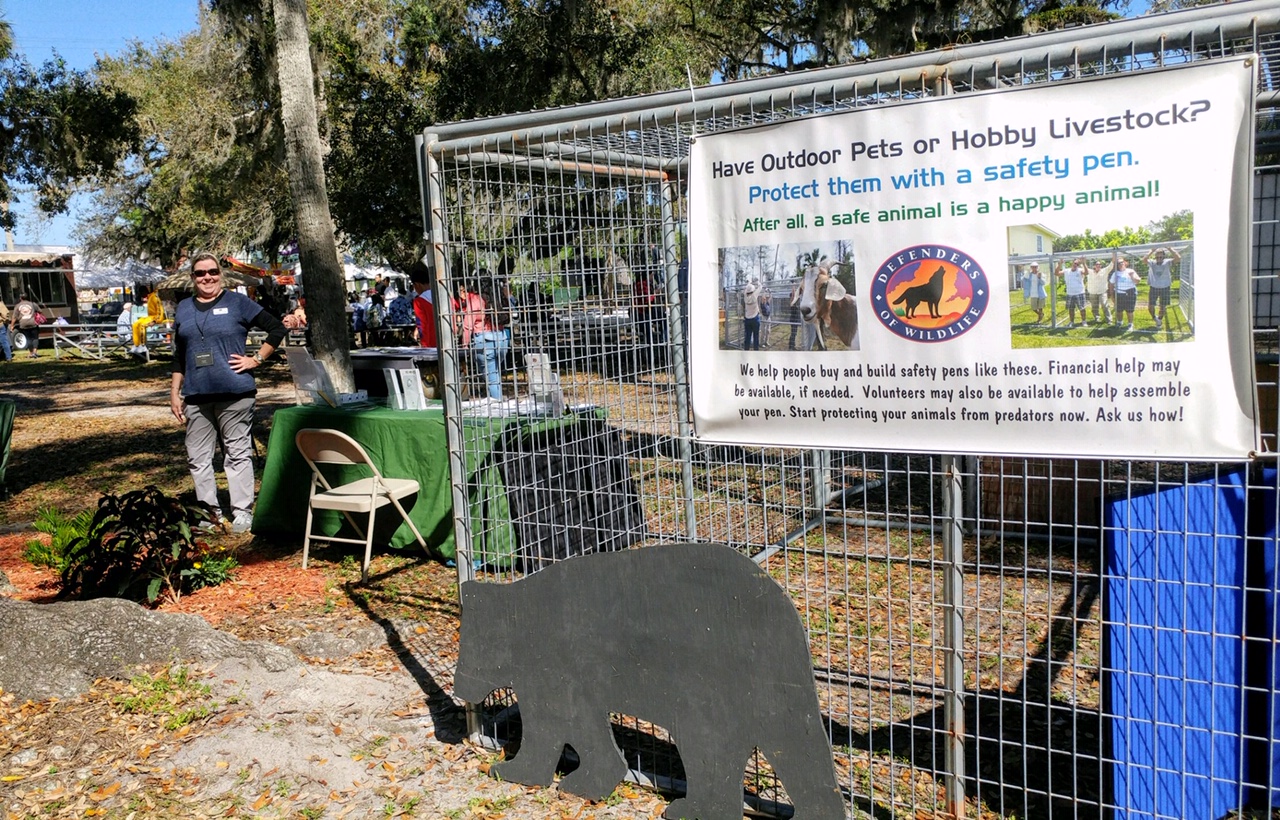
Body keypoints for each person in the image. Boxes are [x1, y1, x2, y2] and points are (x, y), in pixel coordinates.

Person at [169, 253, 286, 533]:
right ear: (192, 277)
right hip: (196, 396)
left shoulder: (238, 302)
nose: (207, 277)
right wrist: (175, 391)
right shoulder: (183, 308)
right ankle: (210, 515)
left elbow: (276, 328)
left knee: (237, 454)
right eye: (200, 273)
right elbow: (179, 355)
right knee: (197, 458)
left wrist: (256, 359)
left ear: (220, 274)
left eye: (212, 272)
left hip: (235, 393)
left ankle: (242, 512)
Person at [459, 277, 507, 400]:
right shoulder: (499, 298)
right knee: (495, 375)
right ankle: (499, 400)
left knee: (491, 378)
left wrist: (465, 345)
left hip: (484, 340)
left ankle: (498, 404)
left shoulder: (476, 300)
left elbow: (467, 325)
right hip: (501, 339)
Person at [1144, 246, 1182, 330]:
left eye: (1161, 256)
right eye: (1157, 256)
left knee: (1162, 306)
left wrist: (1170, 248)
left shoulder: (1167, 262)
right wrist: (1151, 250)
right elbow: (1144, 260)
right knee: (1150, 306)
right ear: (1155, 257)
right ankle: (1155, 318)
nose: (1159, 258)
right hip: (1154, 287)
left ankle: (1159, 321)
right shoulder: (1152, 262)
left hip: (1165, 287)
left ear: (1163, 257)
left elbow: (1178, 258)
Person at [131, 289, 166, 355]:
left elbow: (159, 311)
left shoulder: (154, 298)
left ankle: (143, 345)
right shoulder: (149, 298)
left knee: (142, 325)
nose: (141, 296)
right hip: (150, 317)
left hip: (156, 318)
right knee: (135, 325)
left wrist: (154, 321)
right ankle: (136, 345)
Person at [1110, 257, 1141, 331]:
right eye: (1118, 263)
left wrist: (1132, 276)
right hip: (1119, 293)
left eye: (1121, 262)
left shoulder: (1130, 271)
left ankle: (1130, 324)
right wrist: (1112, 295)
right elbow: (1111, 284)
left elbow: (1137, 281)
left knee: (1129, 310)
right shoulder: (1115, 273)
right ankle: (1119, 322)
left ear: (1125, 263)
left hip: (1130, 293)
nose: (1120, 264)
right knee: (1119, 310)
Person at [1058, 258, 1087, 327]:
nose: (1076, 265)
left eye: (1077, 264)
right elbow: (1057, 273)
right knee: (1071, 309)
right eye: (1075, 263)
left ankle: (1084, 321)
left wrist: (1084, 263)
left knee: (1082, 308)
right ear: (1072, 263)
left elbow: (1086, 273)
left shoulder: (1080, 270)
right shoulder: (1066, 271)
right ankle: (1071, 322)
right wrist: (1059, 264)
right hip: (1070, 293)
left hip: (1079, 293)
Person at [1085, 256, 1113, 326]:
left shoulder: (1105, 270)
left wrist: (1113, 255)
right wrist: (1083, 262)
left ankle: (1109, 319)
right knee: (1094, 306)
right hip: (1092, 292)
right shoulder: (1090, 272)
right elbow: (1084, 268)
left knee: (1104, 304)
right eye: (1097, 264)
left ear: (1101, 266)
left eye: (1099, 264)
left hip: (1102, 291)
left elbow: (1111, 264)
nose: (1098, 265)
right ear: (1094, 266)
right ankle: (1097, 317)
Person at [11, 293, 39, 359]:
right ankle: (35, 352)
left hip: (23, 324)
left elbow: (14, 317)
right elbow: (40, 311)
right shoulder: (33, 304)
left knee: (28, 338)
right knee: (35, 337)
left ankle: (31, 352)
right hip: (33, 323)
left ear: (20, 298)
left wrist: (12, 325)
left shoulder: (17, 306)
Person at [742, 278, 761, 350]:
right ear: (753, 291)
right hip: (755, 319)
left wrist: (749, 282)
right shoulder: (754, 295)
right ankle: (756, 351)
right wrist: (757, 281)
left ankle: (746, 351)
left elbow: (746, 290)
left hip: (747, 319)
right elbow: (760, 287)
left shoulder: (745, 296)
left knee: (747, 337)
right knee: (756, 336)